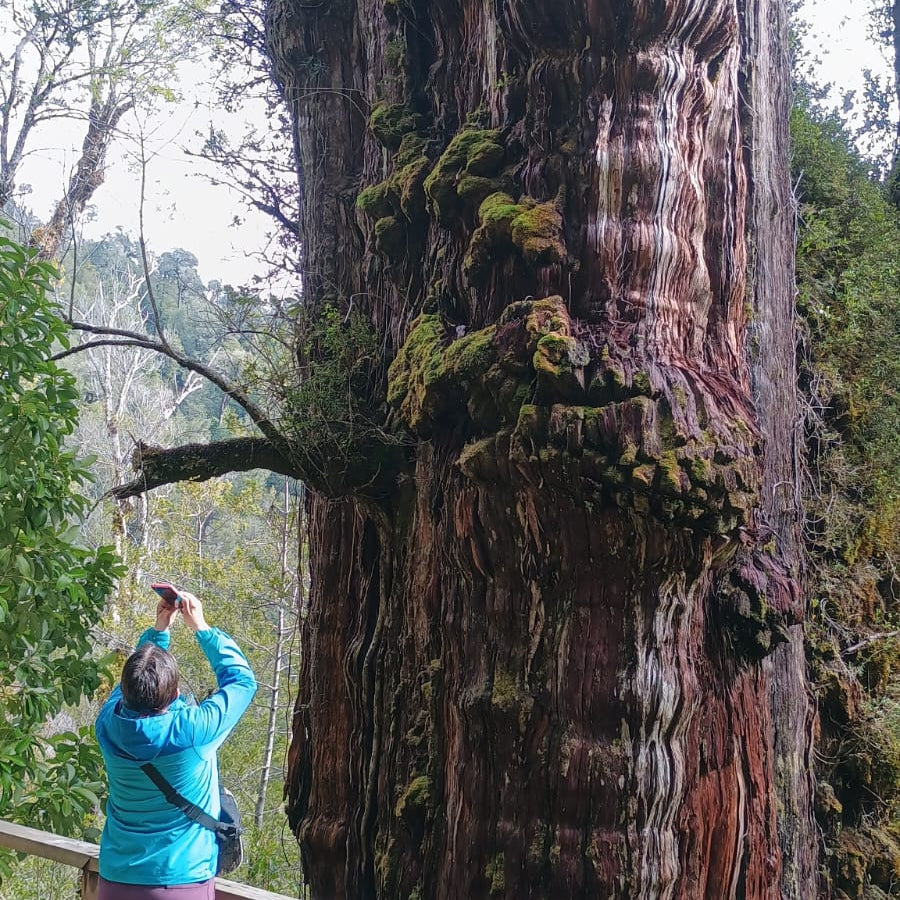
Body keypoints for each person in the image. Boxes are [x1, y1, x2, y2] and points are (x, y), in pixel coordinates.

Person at [95, 589, 256, 899]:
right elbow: (242, 681)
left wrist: (159, 630)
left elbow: (133, 684)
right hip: (180, 881)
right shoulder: (191, 731)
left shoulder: (107, 724)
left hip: (116, 880)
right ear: (175, 693)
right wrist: (202, 628)